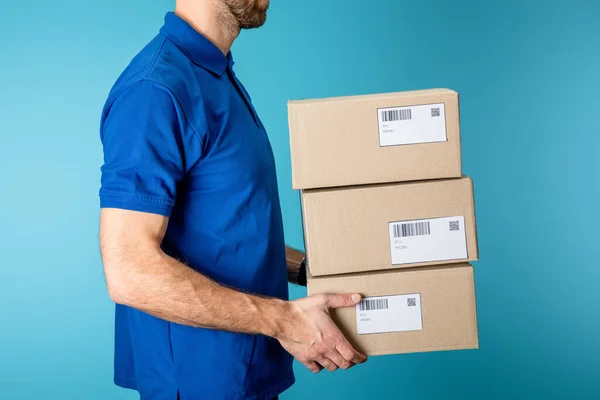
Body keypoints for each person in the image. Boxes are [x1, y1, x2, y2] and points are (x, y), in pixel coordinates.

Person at [98, 0, 367, 399]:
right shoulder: (155, 89)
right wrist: (284, 320)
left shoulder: (215, 74)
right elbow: (129, 271)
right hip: (198, 383)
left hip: (248, 374)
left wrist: (313, 269)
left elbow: (228, 230)